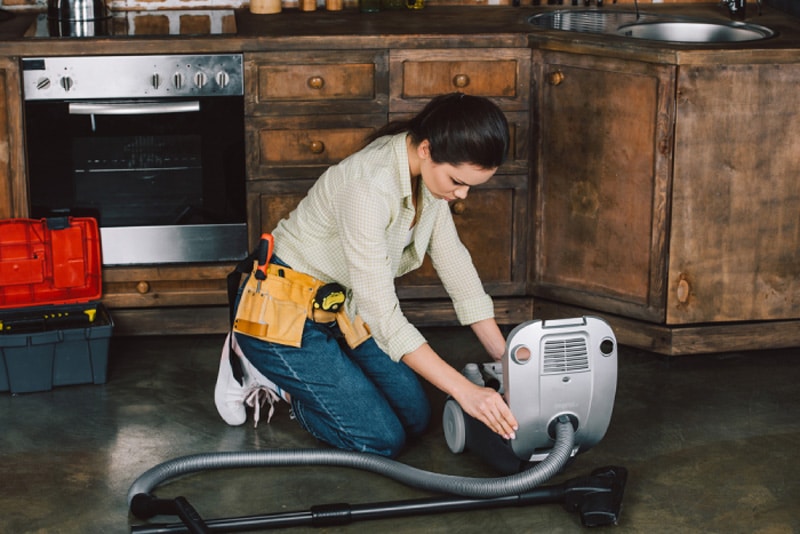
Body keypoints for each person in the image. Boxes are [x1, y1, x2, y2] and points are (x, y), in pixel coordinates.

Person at [215, 92, 519, 458]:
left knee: (416, 417)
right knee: (380, 439)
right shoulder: (368, 187)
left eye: (471, 185)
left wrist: (509, 361)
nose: (463, 194)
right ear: (426, 148)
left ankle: (318, 376)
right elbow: (384, 317)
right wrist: (465, 390)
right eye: (457, 181)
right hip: (281, 316)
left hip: (341, 309)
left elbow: (457, 269)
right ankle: (260, 368)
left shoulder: (431, 182)